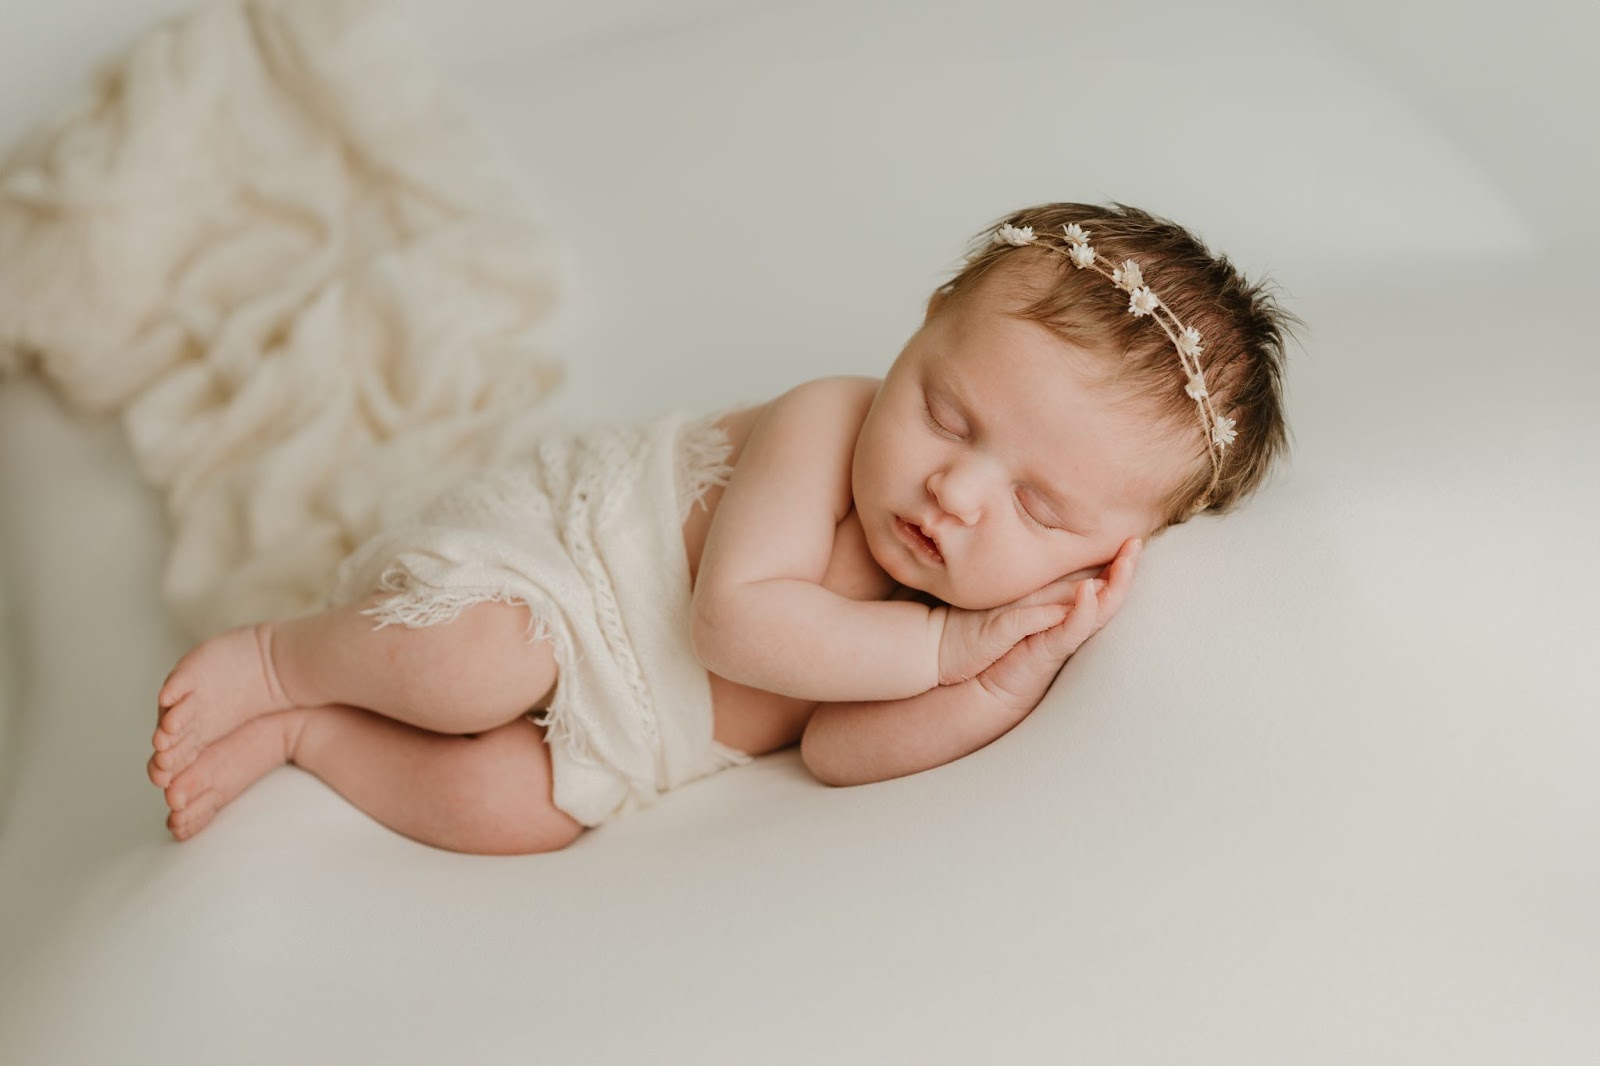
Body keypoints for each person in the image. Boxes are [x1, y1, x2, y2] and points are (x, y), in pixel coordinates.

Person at [146, 202, 1293, 854]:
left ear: (1106, 550)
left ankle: (311, 738)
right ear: (921, 329)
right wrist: (942, 652)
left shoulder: (980, 610)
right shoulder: (826, 418)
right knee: (469, 663)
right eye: (946, 413)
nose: (956, 491)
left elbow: (840, 751)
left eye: (1040, 507)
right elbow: (738, 623)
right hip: (574, 575)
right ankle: (278, 656)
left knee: (513, 814)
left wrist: (997, 684)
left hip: (634, 730)